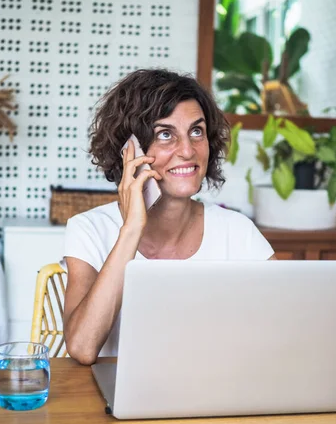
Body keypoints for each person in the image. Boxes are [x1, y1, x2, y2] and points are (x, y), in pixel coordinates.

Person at [63, 69, 275, 365]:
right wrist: (131, 230)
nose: (188, 150)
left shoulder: (237, 231)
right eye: (166, 135)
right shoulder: (90, 229)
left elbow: (285, 326)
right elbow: (83, 348)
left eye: (196, 131)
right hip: (119, 403)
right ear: (129, 151)